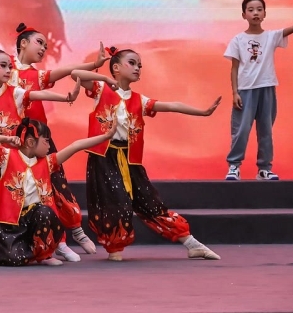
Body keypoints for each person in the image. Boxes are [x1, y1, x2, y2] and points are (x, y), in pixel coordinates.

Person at [72, 47, 222, 261]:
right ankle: (115, 250)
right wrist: (104, 77)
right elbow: (75, 74)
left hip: (129, 159)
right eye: (132, 63)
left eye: (139, 65)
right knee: (115, 202)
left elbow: (172, 105)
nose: (137, 68)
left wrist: (203, 112)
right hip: (104, 157)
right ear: (116, 68)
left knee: (150, 201)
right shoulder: (100, 89)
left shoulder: (139, 100)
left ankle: (191, 243)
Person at [0, 48, 80, 252]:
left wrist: (65, 98)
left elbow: (38, 93)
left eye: (10, 66)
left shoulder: (15, 92)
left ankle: (45, 243)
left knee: (17, 199)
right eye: (2, 66)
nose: (8, 70)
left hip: (11, 157)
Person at [0, 119, 116, 266]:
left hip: (35, 220)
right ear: (30, 142)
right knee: (13, 259)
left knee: (45, 212)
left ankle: (44, 255)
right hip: (11, 226)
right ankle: (21, 251)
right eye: (46, 141)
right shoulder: (6, 156)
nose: (49, 146)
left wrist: (106, 136)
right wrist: (6, 139)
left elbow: (76, 146)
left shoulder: (48, 162)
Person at [224, 0, 293, 180]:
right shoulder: (238, 40)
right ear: (244, 15)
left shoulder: (271, 36)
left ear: (265, 14)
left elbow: (292, 29)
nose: (255, 13)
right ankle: (234, 166)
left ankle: (264, 169)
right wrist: (235, 92)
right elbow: (234, 68)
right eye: (251, 10)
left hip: (267, 88)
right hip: (245, 91)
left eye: (259, 9)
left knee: (266, 130)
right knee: (241, 130)